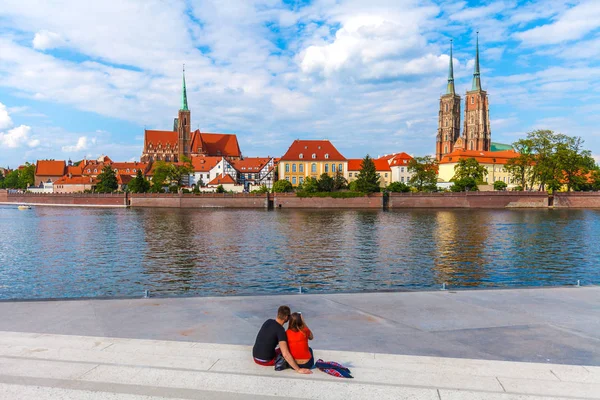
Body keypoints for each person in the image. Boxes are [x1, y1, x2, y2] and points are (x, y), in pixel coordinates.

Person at [252, 305, 312, 374]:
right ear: (286, 317)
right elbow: (285, 353)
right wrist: (298, 369)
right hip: (266, 361)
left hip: (255, 357)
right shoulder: (281, 331)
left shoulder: (268, 321)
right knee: (287, 350)